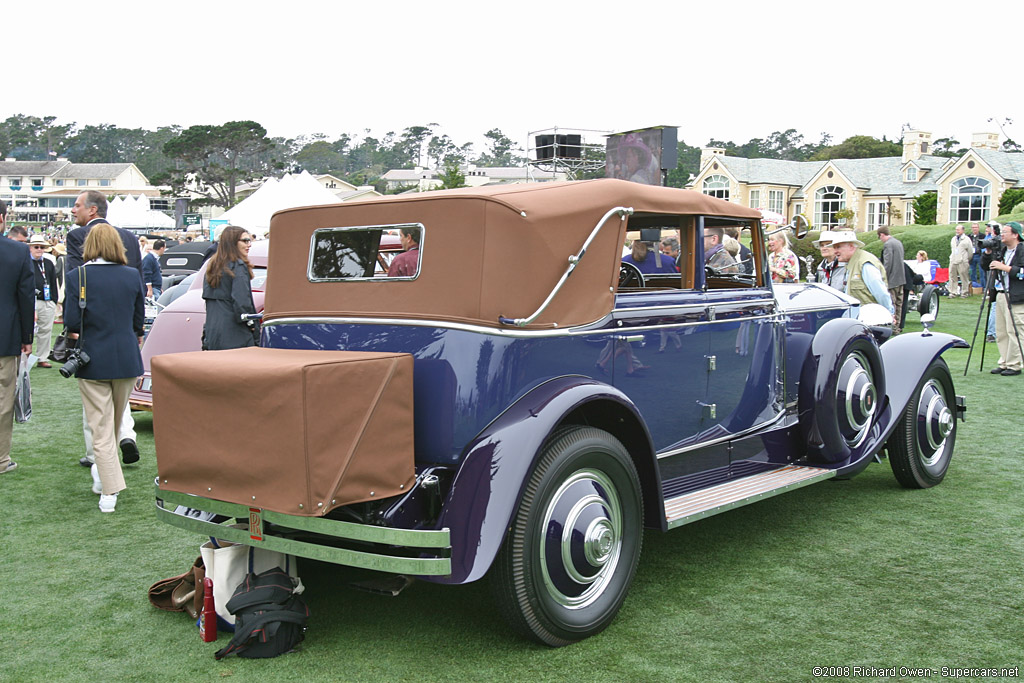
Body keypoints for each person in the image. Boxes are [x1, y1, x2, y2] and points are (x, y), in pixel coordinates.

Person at [63, 223, 145, 512]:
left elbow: (71, 320)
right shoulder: (132, 275)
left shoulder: (77, 276)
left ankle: (108, 489)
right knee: (112, 422)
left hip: (92, 358)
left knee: (100, 427)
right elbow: (139, 320)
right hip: (126, 358)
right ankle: (102, 479)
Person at [68, 190, 141, 467]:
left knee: (97, 418)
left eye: (77, 205)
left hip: (93, 348)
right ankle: (126, 435)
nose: (74, 210)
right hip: (125, 346)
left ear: (93, 210)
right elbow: (138, 303)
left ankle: (97, 463)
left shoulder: (78, 238)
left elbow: (77, 305)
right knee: (119, 410)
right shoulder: (132, 240)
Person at [0, 200, 35, 475]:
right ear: (3, 219)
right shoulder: (17, 252)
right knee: (3, 400)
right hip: (6, 336)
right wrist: (26, 337)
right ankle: (0, 458)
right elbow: (25, 298)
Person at [203, 226, 258, 350]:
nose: (249, 245)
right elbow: (242, 302)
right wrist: (252, 325)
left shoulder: (212, 266)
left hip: (213, 333)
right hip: (235, 334)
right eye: (245, 241)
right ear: (232, 243)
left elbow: (208, 303)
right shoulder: (238, 266)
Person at [987, 221, 1024, 376]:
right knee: (1001, 331)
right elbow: (986, 266)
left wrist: (1005, 268)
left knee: (1014, 330)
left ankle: (1015, 364)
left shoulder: (1022, 250)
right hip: (1001, 294)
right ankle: (1005, 361)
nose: (1002, 234)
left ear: (1015, 234)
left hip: (1016, 296)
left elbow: (1022, 272)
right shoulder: (1002, 250)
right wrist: (988, 253)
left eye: (1006, 232)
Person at [831, 231, 893, 314]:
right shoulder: (852, 263)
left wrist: (889, 313)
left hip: (871, 318)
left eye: (838, 247)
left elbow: (880, 293)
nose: (835, 251)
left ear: (851, 247)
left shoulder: (865, 263)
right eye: (834, 248)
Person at [27, 235, 59, 367]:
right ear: (30, 248)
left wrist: (54, 300)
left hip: (47, 301)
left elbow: (53, 281)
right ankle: (25, 357)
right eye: (36, 247)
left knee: (46, 330)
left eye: (42, 247)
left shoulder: (48, 263)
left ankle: (42, 358)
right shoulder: (26, 262)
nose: (39, 249)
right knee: (28, 330)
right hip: (31, 301)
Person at [877, 227, 906, 334]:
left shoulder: (888, 244)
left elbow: (888, 263)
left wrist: (883, 277)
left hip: (892, 280)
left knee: (891, 303)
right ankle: (897, 327)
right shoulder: (898, 242)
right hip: (901, 278)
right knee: (899, 304)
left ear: (881, 235)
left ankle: (892, 327)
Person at [949, 224, 972, 297]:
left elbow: (970, 251)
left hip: (962, 261)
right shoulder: (953, 239)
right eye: (956, 229)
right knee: (952, 276)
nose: (957, 231)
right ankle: (953, 292)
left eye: (958, 230)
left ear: (963, 230)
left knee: (964, 277)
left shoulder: (967, 239)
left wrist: (965, 259)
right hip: (953, 260)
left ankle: (964, 292)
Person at [969, 222, 983, 287]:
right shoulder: (969, 236)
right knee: (972, 271)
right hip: (971, 255)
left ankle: (983, 286)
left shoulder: (982, 236)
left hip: (979, 255)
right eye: (973, 227)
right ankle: (974, 285)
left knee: (981, 271)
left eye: (976, 227)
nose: (974, 229)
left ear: (978, 228)